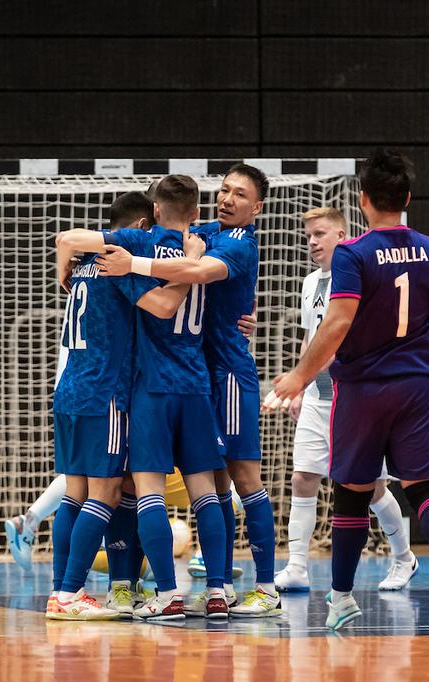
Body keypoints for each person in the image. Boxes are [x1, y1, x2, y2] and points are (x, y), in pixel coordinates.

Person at [265, 149, 429, 630]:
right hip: (416, 385)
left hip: (362, 388)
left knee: (352, 492)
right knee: (425, 486)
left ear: (363, 201)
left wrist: (299, 376)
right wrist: (407, 345)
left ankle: (342, 598)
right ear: (407, 197)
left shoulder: (353, 253)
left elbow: (338, 321)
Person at [99, 164, 280, 617]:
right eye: (224, 190)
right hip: (199, 375)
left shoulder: (235, 244)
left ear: (257, 208)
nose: (228, 198)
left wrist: (125, 263)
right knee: (210, 486)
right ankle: (216, 587)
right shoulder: (197, 234)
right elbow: (177, 232)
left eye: (239, 194)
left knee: (239, 479)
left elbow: (198, 270)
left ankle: (262, 586)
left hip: (222, 376)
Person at [67, 174, 230, 620]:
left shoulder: (138, 244)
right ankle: (219, 591)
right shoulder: (210, 245)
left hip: (149, 387)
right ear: (196, 213)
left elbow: (72, 237)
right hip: (196, 382)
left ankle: (167, 594)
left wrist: (65, 263)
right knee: (206, 494)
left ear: (154, 210)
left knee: (145, 492)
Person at [44, 191, 194, 620]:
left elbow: (64, 240)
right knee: (106, 492)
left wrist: (63, 269)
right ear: (141, 229)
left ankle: (60, 592)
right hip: (105, 391)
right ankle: (71, 593)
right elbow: (164, 307)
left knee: (74, 494)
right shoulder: (117, 265)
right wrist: (188, 275)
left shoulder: (84, 263)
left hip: (70, 388)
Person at [273, 207, 417, 593]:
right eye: (308, 237)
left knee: (372, 488)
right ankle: (297, 566)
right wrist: (301, 386)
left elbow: (346, 335)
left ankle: (404, 557)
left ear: (342, 234)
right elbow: (312, 339)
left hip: (354, 398)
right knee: (303, 478)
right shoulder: (309, 284)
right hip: (319, 399)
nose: (313, 242)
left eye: (320, 234)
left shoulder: (360, 274)